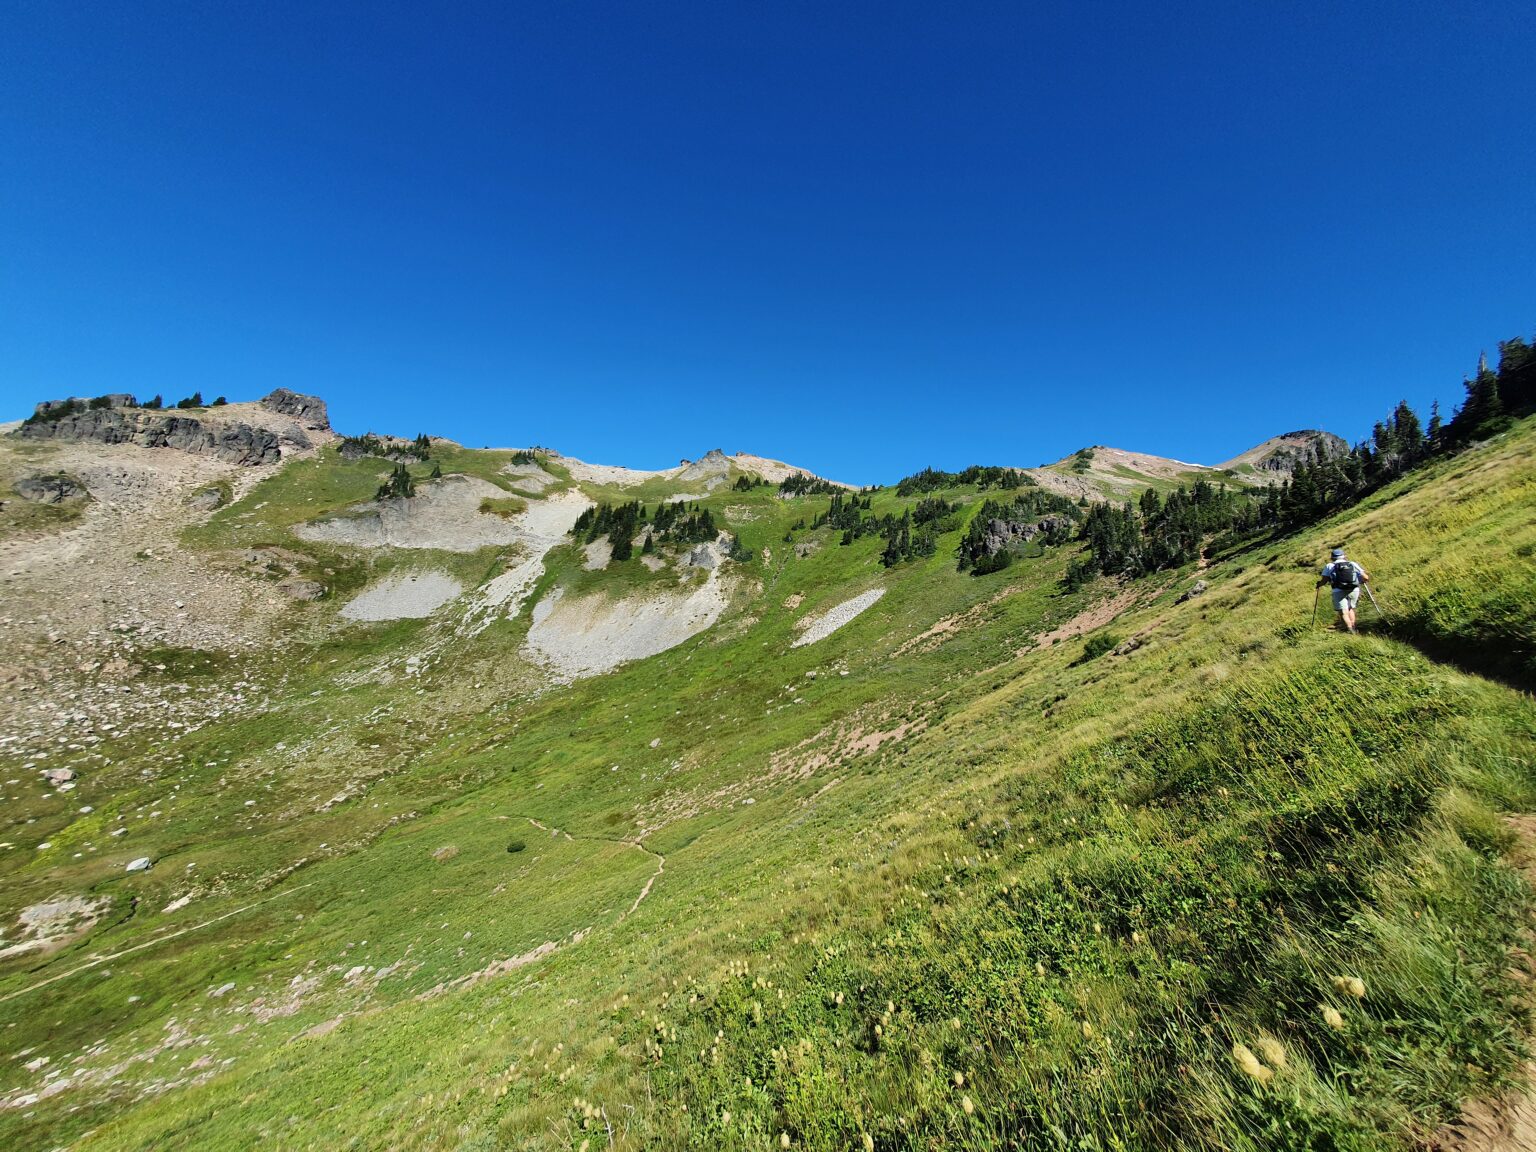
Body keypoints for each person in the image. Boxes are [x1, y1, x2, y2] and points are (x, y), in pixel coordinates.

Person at [1318, 547, 1371, 633]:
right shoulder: (1352, 564)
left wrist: (1318, 585)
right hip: (1354, 589)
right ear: (1344, 556)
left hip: (1338, 590)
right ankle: (1353, 627)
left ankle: (1350, 631)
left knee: (1343, 612)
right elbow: (1365, 577)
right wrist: (1361, 581)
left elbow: (1324, 581)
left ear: (1332, 557)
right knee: (1350, 609)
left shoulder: (1329, 566)